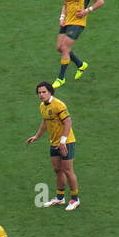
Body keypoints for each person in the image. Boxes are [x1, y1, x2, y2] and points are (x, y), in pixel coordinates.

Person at [27, 82, 81, 210]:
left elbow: (68, 122)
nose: (41, 95)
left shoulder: (59, 105)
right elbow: (45, 122)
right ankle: (60, 197)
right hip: (54, 142)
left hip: (66, 142)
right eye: (39, 92)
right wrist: (37, 136)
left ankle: (75, 199)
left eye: (43, 92)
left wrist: (63, 141)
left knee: (68, 170)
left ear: (50, 92)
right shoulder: (42, 106)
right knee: (57, 169)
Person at [51, 0, 104, 89]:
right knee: (59, 48)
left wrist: (86, 11)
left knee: (65, 48)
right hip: (66, 22)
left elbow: (100, 1)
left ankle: (60, 78)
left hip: (78, 23)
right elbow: (65, 5)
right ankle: (81, 65)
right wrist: (62, 17)